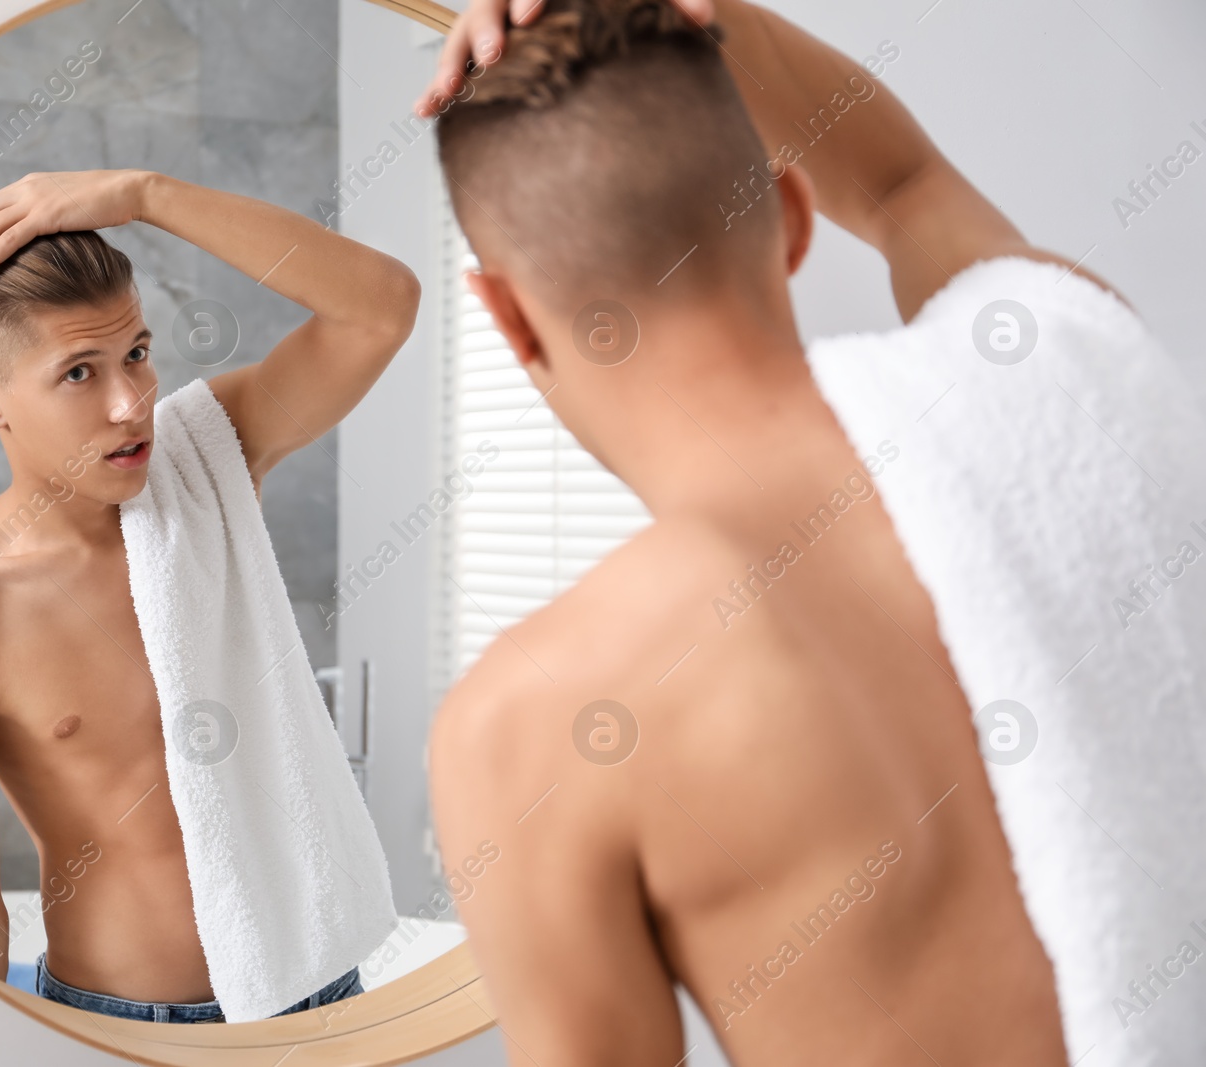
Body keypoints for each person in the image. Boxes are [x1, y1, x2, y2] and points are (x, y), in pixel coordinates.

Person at [417, 0, 1148, 1062]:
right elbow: (904, 185)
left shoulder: (531, 721)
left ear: (506, 317)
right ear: (792, 215)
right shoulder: (1060, 376)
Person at [0, 169, 419, 1023]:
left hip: (316, 1002)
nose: (133, 403)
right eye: (79, 373)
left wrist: (145, 194)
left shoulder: (209, 462)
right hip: (118, 1028)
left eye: (136, 352)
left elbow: (381, 306)